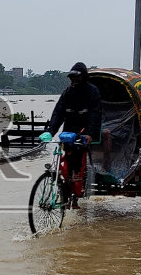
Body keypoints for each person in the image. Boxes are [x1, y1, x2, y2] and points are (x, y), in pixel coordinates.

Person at [42, 62, 102, 209]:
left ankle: (76, 190)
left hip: (84, 130)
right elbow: (58, 113)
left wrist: (90, 134)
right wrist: (50, 131)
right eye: (72, 78)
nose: (74, 81)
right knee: (66, 157)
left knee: (77, 158)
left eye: (77, 78)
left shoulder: (92, 92)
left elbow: (95, 114)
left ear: (83, 77)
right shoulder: (68, 92)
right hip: (69, 131)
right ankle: (67, 188)